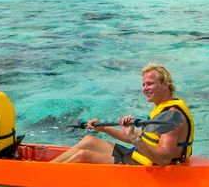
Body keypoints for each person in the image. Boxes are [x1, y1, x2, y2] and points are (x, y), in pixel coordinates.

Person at [51, 63, 194, 166]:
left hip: (143, 165)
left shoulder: (172, 116)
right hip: (138, 155)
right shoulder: (162, 109)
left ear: (165, 85)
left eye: (150, 84)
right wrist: (105, 129)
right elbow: (141, 138)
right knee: (89, 140)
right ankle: (48, 167)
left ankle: (46, 176)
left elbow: (163, 159)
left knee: (83, 156)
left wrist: (133, 138)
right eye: (144, 85)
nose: (145, 89)